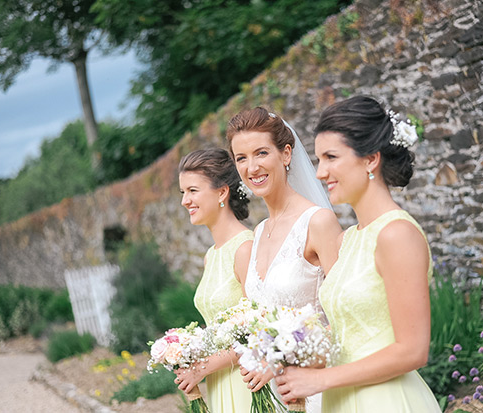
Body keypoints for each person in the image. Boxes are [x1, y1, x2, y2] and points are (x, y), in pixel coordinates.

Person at [275, 96, 442, 412]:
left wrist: (321, 381)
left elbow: (413, 351)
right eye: (318, 159)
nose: (321, 173)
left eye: (331, 157)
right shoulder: (348, 240)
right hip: (342, 401)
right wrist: (292, 356)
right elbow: (347, 333)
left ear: (370, 160)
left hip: (386, 400)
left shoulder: (397, 235)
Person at [226, 107, 342, 412]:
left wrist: (277, 359)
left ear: (286, 154)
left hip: (318, 393)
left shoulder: (318, 223)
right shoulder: (259, 231)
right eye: (241, 158)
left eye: (261, 153)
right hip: (274, 397)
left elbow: (346, 319)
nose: (252, 167)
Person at [174, 148, 254, 412]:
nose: (185, 201)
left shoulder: (246, 248)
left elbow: (258, 333)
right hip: (220, 383)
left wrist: (200, 369)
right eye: (183, 192)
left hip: (247, 382)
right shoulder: (211, 255)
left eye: (193, 191)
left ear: (222, 192)